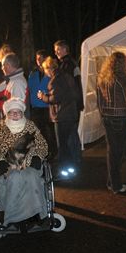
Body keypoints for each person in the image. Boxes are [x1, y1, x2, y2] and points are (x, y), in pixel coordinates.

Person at [0, 98, 49, 228]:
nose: (15, 114)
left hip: (29, 163)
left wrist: (37, 157)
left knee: (31, 177)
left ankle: (36, 215)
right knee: (15, 178)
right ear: (6, 114)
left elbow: (42, 145)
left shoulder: (30, 126)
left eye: (18, 112)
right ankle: (13, 218)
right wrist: (0, 162)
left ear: (22, 113)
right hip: (10, 166)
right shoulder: (0, 129)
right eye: (11, 112)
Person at [37, 56, 79, 179]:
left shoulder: (55, 80)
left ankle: (63, 172)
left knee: (62, 146)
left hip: (61, 117)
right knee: (68, 144)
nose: (45, 73)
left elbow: (55, 99)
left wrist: (43, 96)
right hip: (71, 114)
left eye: (44, 70)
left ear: (48, 69)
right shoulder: (67, 76)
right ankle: (71, 169)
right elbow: (74, 94)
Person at [96, 51, 126, 194]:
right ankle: (115, 184)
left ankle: (112, 181)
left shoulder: (102, 78)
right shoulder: (122, 78)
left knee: (112, 150)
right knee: (118, 152)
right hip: (121, 117)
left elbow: (99, 100)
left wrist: (103, 113)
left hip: (107, 116)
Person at [54, 40, 83, 172]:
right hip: (74, 105)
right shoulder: (72, 63)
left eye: (58, 49)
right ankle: (76, 161)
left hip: (67, 107)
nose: (56, 52)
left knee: (66, 140)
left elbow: (66, 89)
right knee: (72, 135)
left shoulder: (66, 66)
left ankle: (68, 166)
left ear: (65, 49)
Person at [28, 49, 57, 159]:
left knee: (50, 132)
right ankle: (42, 153)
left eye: (41, 58)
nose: (38, 61)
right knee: (38, 133)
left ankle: (53, 152)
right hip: (35, 107)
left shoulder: (49, 73)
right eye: (37, 59)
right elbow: (30, 89)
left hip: (47, 107)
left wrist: (46, 95)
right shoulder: (33, 74)